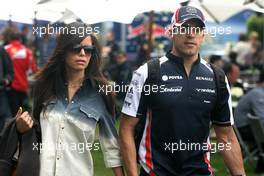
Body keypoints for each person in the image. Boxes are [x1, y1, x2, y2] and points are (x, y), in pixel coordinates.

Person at [119, 6, 245, 176]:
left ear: (202, 35)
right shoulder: (147, 72)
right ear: (171, 32)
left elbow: (226, 136)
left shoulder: (217, 77)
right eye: (184, 28)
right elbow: (126, 128)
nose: (190, 34)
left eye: (196, 29)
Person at [1, 22, 124, 176]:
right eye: (76, 48)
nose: (82, 54)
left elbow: (111, 147)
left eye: (88, 50)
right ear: (63, 50)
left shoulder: (102, 93)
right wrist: (21, 127)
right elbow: (36, 132)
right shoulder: (44, 86)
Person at [234, 69, 264, 173]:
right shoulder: (258, 94)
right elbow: (262, 117)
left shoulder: (258, 92)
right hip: (244, 129)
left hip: (245, 127)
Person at [4, 32, 37, 116]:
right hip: (23, 86)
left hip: (9, 86)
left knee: (11, 113)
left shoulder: (5, 49)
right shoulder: (27, 52)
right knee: (22, 112)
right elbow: (32, 70)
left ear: (10, 39)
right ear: (20, 40)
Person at [0, 46, 13, 131]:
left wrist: (6, 80)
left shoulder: (1, 50)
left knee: (5, 122)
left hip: (1, 93)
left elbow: (10, 72)